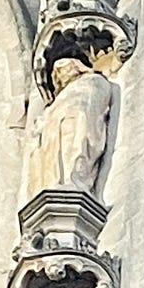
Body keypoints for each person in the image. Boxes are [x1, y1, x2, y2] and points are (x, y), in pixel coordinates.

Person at [27, 58, 115, 196]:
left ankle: (74, 179)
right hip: (57, 129)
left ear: (77, 67)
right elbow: (49, 115)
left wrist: (76, 110)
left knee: (77, 147)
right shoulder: (61, 97)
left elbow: (92, 104)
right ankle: (56, 181)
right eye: (59, 72)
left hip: (77, 123)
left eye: (66, 68)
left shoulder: (93, 80)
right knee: (53, 155)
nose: (64, 73)